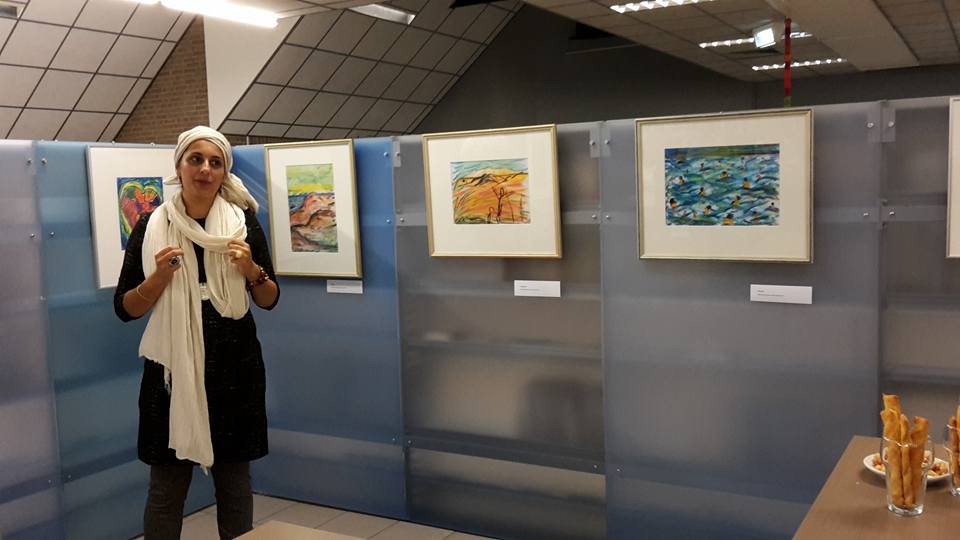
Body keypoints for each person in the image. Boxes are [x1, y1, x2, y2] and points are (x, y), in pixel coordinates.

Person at [114, 126, 280, 539]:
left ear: (224, 172)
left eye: (215, 162)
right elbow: (126, 308)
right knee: (166, 488)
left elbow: (269, 298)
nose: (205, 169)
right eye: (196, 159)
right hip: (172, 373)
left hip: (234, 368)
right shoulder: (152, 225)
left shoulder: (241, 223)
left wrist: (250, 270)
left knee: (235, 485)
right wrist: (158, 278)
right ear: (179, 167)